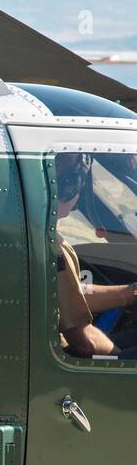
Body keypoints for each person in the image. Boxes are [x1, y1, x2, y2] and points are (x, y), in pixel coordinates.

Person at [55, 152, 137, 357]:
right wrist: (120, 361)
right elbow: (85, 343)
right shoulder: (52, 248)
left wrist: (129, 294)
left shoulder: (40, 235)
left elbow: (69, 295)